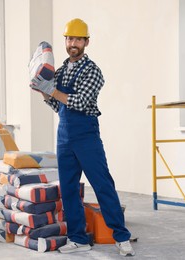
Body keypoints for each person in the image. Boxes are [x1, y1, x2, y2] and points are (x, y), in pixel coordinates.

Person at [30, 18, 135, 256]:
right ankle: (78, 238)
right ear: (65, 41)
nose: (73, 43)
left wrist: (52, 90)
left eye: (78, 39)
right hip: (64, 134)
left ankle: (121, 237)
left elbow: (79, 102)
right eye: (69, 39)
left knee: (102, 185)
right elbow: (59, 107)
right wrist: (43, 93)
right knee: (68, 189)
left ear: (86, 42)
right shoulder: (59, 72)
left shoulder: (93, 71)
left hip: (86, 135)